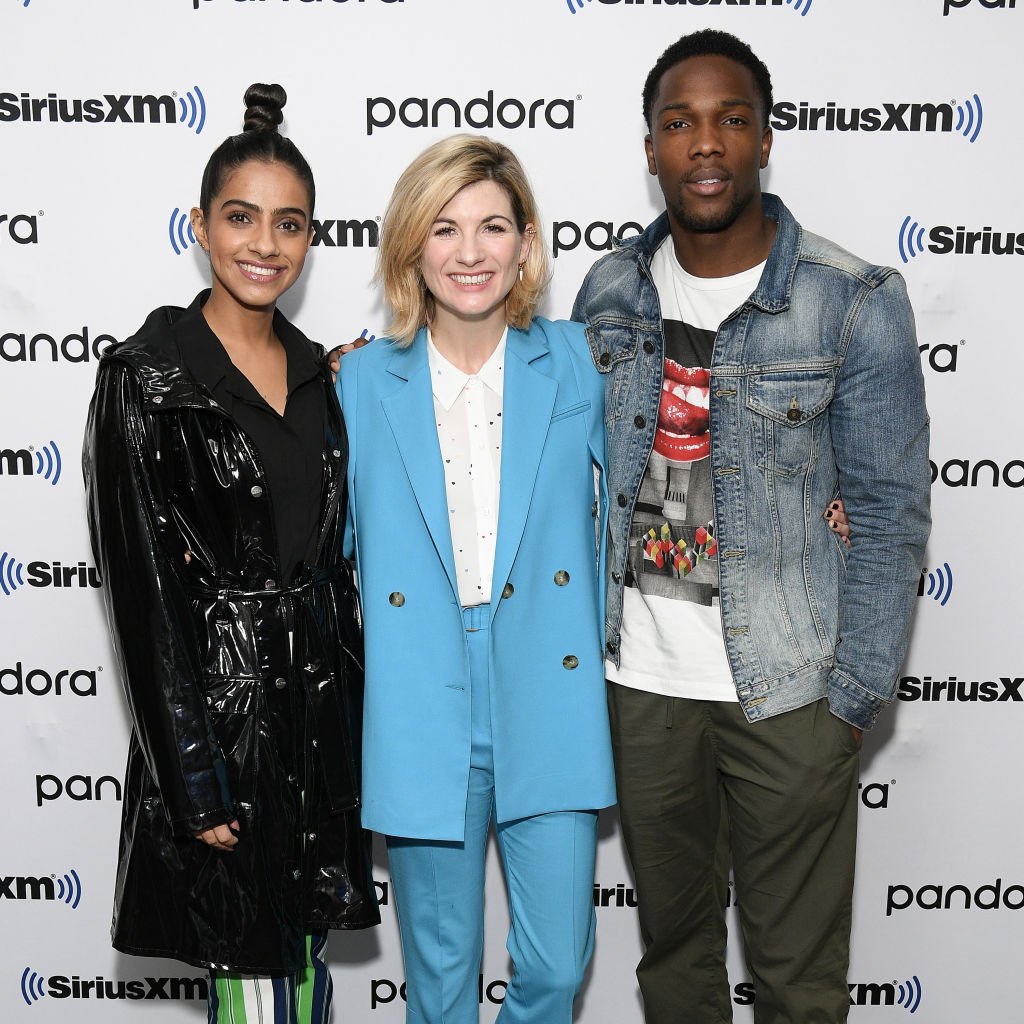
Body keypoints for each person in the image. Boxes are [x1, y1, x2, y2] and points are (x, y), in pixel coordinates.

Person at [571, 29, 931, 1024]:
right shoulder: (609, 292)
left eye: (731, 118)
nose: (705, 143)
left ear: (765, 139)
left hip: (789, 688)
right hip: (642, 686)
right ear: (649, 148)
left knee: (796, 981)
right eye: (678, 122)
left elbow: (893, 511)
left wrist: (850, 699)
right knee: (673, 964)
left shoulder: (849, 301)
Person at [83, 83, 378, 1023]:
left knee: (301, 976)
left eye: (289, 224)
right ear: (201, 228)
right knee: (253, 990)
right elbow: (143, 599)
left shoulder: (323, 376)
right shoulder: (146, 377)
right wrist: (194, 779)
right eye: (241, 218)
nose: (264, 243)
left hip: (317, 738)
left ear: (310, 241)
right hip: (226, 736)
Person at [336, 135, 615, 1024]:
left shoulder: (579, 362)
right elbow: (324, 541)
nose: (469, 252)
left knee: (556, 963)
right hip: (420, 689)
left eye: (492, 226)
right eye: (445, 228)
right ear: (412, 246)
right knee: (443, 975)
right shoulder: (356, 382)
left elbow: (657, 482)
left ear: (526, 243)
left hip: (548, 681)